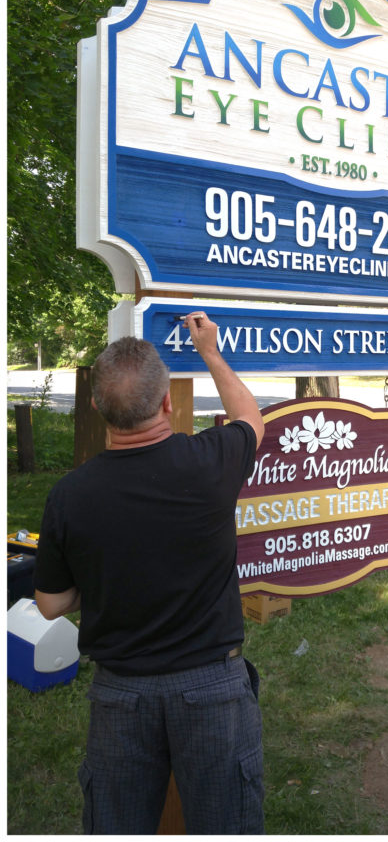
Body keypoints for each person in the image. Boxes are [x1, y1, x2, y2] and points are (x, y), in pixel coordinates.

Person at [33, 311, 265, 835]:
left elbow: (49, 602)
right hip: (215, 691)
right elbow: (251, 418)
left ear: (96, 407)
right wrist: (209, 351)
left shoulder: (69, 496)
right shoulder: (212, 460)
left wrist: (100, 580)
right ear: (165, 403)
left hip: (120, 696)